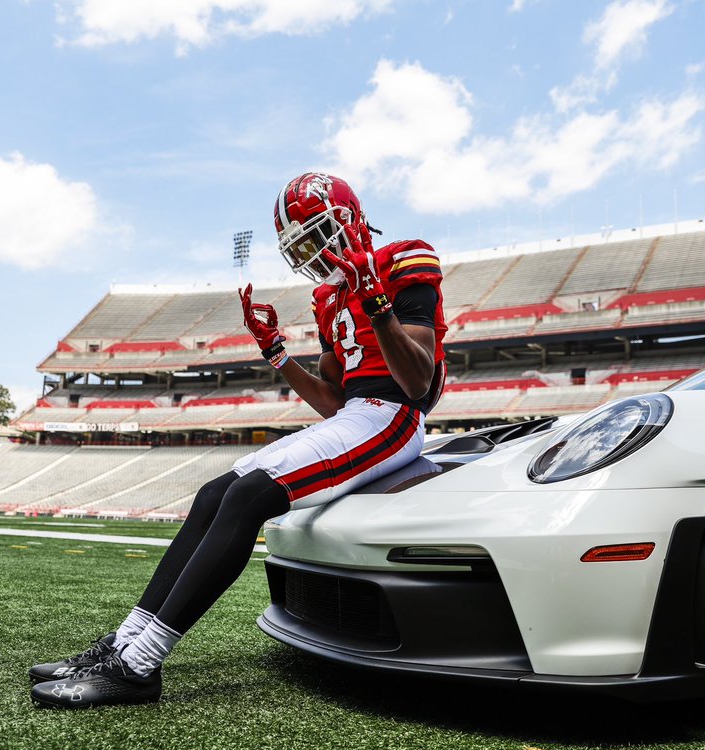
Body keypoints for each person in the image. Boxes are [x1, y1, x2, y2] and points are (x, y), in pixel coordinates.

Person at [30, 173, 447, 709]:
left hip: (395, 419)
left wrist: (378, 307)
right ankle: (126, 641)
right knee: (213, 494)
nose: (314, 255)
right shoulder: (327, 296)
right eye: (301, 247)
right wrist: (276, 352)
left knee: (249, 498)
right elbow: (333, 402)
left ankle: (139, 666)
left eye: (316, 236)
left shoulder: (405, 259)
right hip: (356, 417)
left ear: (346, 219)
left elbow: (415, 385)